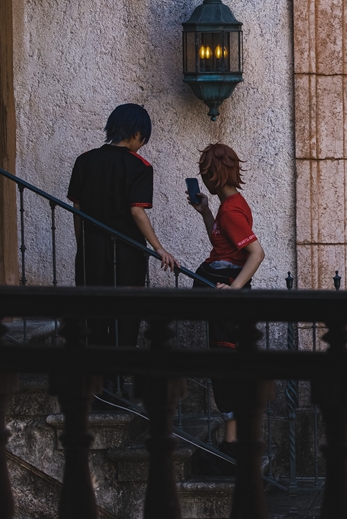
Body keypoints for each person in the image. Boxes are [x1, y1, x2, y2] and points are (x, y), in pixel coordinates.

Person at [68, 103, 178, 400]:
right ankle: (115, 384)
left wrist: (82, 245)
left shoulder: (84, 161)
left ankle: (97, 383)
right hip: (127, 253)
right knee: (125, 316)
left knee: (93, 315)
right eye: (144, 138)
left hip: (91, 250)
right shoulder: (139, 166)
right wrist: (159, 248)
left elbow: (77, 209)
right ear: (137, 133)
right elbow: (136, 211)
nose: (142, 144)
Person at [189, 143, 265, 447]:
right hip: (222, 291)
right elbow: (223, 244)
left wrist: (233, 289)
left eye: (205, 173)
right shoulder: (229, 205)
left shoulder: (232, 211)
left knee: (225, 361)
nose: (203, 179)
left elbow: (256, 253)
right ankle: (232, 442)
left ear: (213, 175)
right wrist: (206, 212)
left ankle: (233, 444)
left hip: (226, 299)